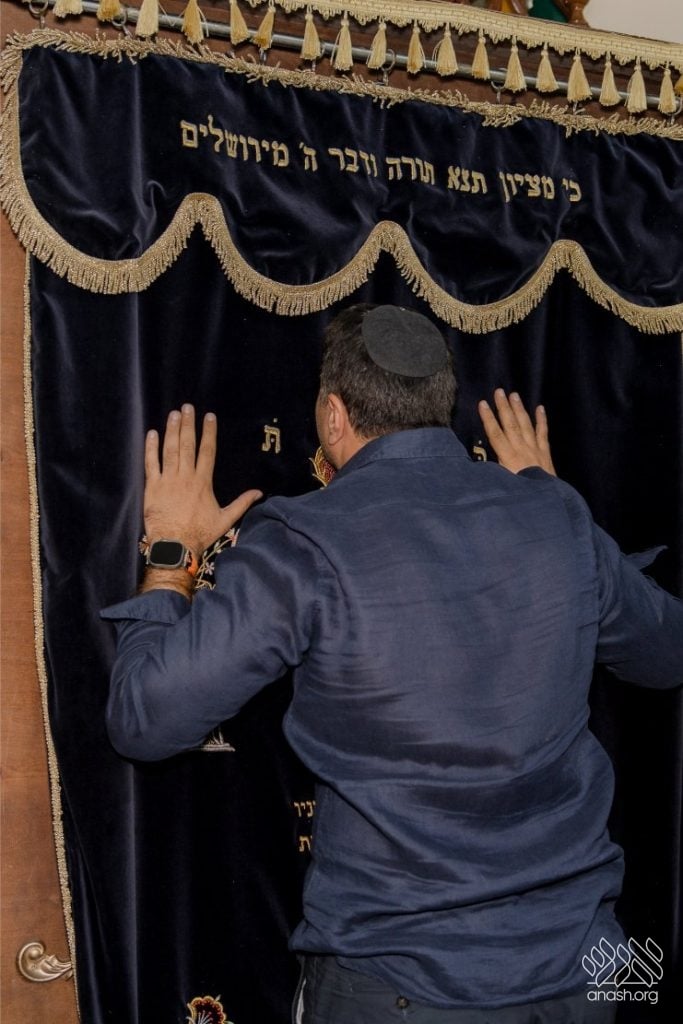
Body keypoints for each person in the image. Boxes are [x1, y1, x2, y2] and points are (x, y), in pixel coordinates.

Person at [103, 304, 682, 1024]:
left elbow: (145, 720)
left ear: (333, 416)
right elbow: (665, 655)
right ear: (441, 406)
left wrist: (172, 550)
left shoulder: (305, 541)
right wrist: (550, 502)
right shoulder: (559, 515)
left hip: (401, 982)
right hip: (579, 975)